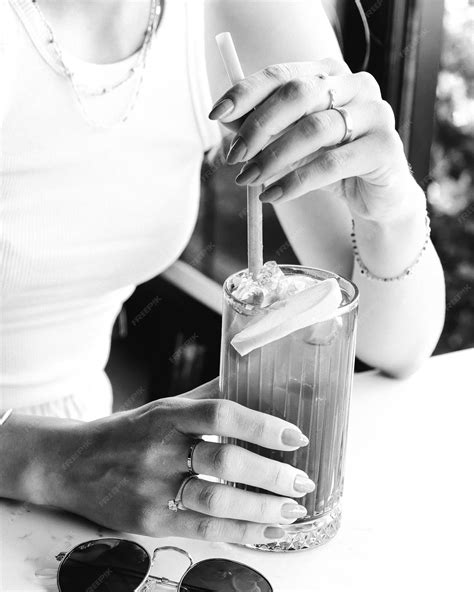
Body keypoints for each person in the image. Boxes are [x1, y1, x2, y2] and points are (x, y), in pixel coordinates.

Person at [0, 0, 445, 545]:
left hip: (77, 498)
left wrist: (391, 205)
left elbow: (395, 342)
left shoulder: (242, 12)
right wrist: (49, 461)